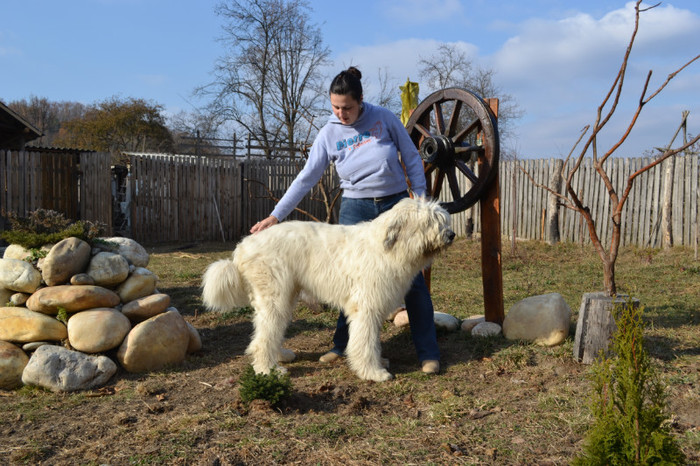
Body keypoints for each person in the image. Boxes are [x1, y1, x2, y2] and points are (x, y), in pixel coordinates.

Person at [250, 66, 440, 374]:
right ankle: (342, 348)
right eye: (335, 107)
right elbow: (306, 178)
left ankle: (428, 353)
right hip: (355, 208)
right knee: (348, 280)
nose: (341, 113)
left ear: (361, 100)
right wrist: (276, 215)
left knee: (413, 283)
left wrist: (419, 199)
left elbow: (412, 157)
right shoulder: (329, 133)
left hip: (395, 207)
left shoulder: (383, 119)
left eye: (347, 107)